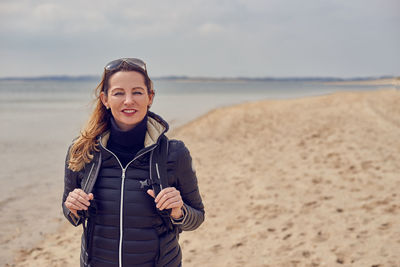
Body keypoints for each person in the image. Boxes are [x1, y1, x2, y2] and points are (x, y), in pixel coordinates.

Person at [62, 58, 205, 267]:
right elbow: (72, 215)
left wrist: (179, 210)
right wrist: (72, 207)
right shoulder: (83, 151)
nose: (128, 100)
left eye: (137, 92)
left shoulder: (174, 153)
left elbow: (197, 217)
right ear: (105, 99)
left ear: (150, 97)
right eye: (119, 93)